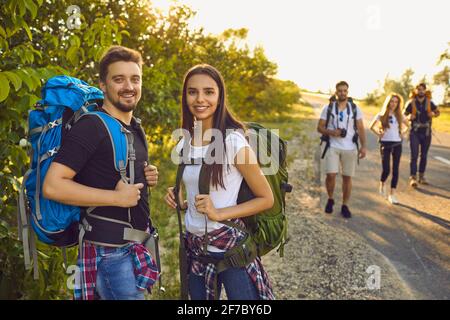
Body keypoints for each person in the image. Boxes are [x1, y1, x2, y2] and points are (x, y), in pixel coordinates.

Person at [43, 46, 159, 300]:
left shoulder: (133, 126)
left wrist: (146, 175)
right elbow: (53, 185)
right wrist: (116, 198)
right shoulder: (92, 126)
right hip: (110, 255)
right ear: (103, 85)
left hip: (131, 248)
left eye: (135, 79)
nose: (129, 86)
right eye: (119, 79)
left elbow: (110, 172)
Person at [164, 64, 274, 300]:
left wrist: (219, 213)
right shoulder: (184, 143)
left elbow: (266, 198)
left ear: (219, 96)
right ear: (185, 96)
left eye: (209, 92)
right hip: (196, 252)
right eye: (192, 92)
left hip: (230, 251)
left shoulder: (233, 142)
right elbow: (197, 194)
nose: (200, 99)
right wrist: (181, 202)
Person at [317, 81, 367, 218]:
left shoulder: (355, 109)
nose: (342, 93)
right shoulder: (328, 108)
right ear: (336, 92)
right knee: (331, 175)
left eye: (345, 90)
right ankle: (331, 198)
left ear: (348, 92)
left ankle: (345, 205)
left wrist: (364, 146)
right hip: (332, 146)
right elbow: (319, 127)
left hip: (350, 148)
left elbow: (361, 128)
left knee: (347, 177)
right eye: (340, 91)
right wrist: (332, 132)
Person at [369, 93, 409, 204]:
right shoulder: (381, 115)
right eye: (392, 101)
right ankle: (382, 183)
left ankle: (392, 194)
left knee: (395, 170)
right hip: (385, 144)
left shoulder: (400, 115)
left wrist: (403, 133)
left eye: (396, 102)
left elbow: (408, 125)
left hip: (397, 144)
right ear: (388, 102)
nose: (394, 104)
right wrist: (379, 133)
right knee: (386, 169)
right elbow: (371, 126)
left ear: (398, 104)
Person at [404, 83, 440, 187]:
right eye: (419, 89)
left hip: (426, 132)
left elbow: (438, 112)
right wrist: (409, 116)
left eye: (422, 89)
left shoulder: (430, 103)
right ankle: (413, 178)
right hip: (414, 132)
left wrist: (433, 114)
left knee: (424, 155)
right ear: (415, 91)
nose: (420, 91)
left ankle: (421, 176)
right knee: (414, 155)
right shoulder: (411, 103)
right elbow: (403, 114)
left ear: (425, 91)